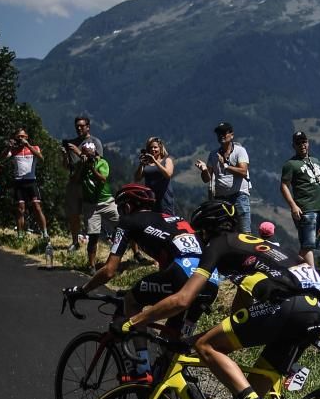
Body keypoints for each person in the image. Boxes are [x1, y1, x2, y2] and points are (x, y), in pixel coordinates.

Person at [115, 200, 320, 399]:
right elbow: (242, 306)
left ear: (207, 231)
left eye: (200, 234)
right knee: (256, 383)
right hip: (316, 310)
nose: (200, 241)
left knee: (206, 346)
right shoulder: (252, 244)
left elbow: (184, 298)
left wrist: (133, 321)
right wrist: (225, 336)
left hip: (289, 305)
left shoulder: (219, 244)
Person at [65, 184, 219, 380]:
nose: (121, 214)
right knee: (169, 351)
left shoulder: (129, 221)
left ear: (127, 207)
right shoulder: (170, 219)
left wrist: (83, 289)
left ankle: (141, 367)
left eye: (121, 209)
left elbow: (109, 270)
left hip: (183, 276)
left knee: (132, 300)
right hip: (211, 280)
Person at [280, 131, 320, 269]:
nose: (302, 145)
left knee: (310, 245)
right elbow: (283, 186)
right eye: (299, 143)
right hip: (306, 209)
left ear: (308, 143)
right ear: (294, 145)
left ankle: (293, 270)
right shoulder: (291, 164)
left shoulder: (316, 161)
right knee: (307, 246)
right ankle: (313, 278)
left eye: (304, 142)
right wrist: (293, 206)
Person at [195, 122, 251, 233]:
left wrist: (225, 166)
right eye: (219, 133)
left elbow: (243, 171)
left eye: (224, 133)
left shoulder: (240, 151)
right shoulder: (213, 154)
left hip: (239, 196)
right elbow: (207, 179)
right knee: (222, 232)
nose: (221, 135)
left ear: (232, 135)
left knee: (245, 232)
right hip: (221, 198)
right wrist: (205, 170)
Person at [61, 116, 103, 251]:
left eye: (82, 126)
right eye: (77, 126)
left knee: (90, 215)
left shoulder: (95, 142)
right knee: (73, 214)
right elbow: (66, 167)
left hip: (89, 183)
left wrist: (78, 152)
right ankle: (75, 241)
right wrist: (65, 155)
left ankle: (92, 244)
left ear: (88, 127)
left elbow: (98, 162)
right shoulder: (72, 143)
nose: (79, 128)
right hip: (74, 182)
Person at [1, 128, 49, 241]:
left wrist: (28, 146)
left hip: (31, 181)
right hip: (18, 182)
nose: (21, 139)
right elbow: (2, 159)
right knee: (20, 209)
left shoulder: (34, 147)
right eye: (18, 137)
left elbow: (41, 158)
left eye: (22, 136)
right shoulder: (13, 150)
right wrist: (8, 147)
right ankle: (20, 235)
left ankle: (45, 233)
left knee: (37, 207)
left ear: (27, 137)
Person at [79, 141, 119, 271]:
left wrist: (91, 167)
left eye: (89, 154)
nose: (87, 156)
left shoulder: (102, 163)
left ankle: (136, 252)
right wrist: (82, 165)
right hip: (90, 205)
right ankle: (91, 265)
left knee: (124, 225)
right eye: (84, 153)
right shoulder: (82, 165)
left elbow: (102, 178)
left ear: (95, 152)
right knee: (93, 236)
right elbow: (75, 179)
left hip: (106, 201)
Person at [134, 136, 175, 214]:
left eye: (155, 147)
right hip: (150, 200)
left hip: (164, 201)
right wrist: (141, 165)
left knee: (165, 223)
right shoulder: (146, 163)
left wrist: (155, 162)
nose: (153, 149)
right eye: (150, 148)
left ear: (160, 148)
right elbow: (137, 178)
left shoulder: (167, 160)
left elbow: (168, 174)